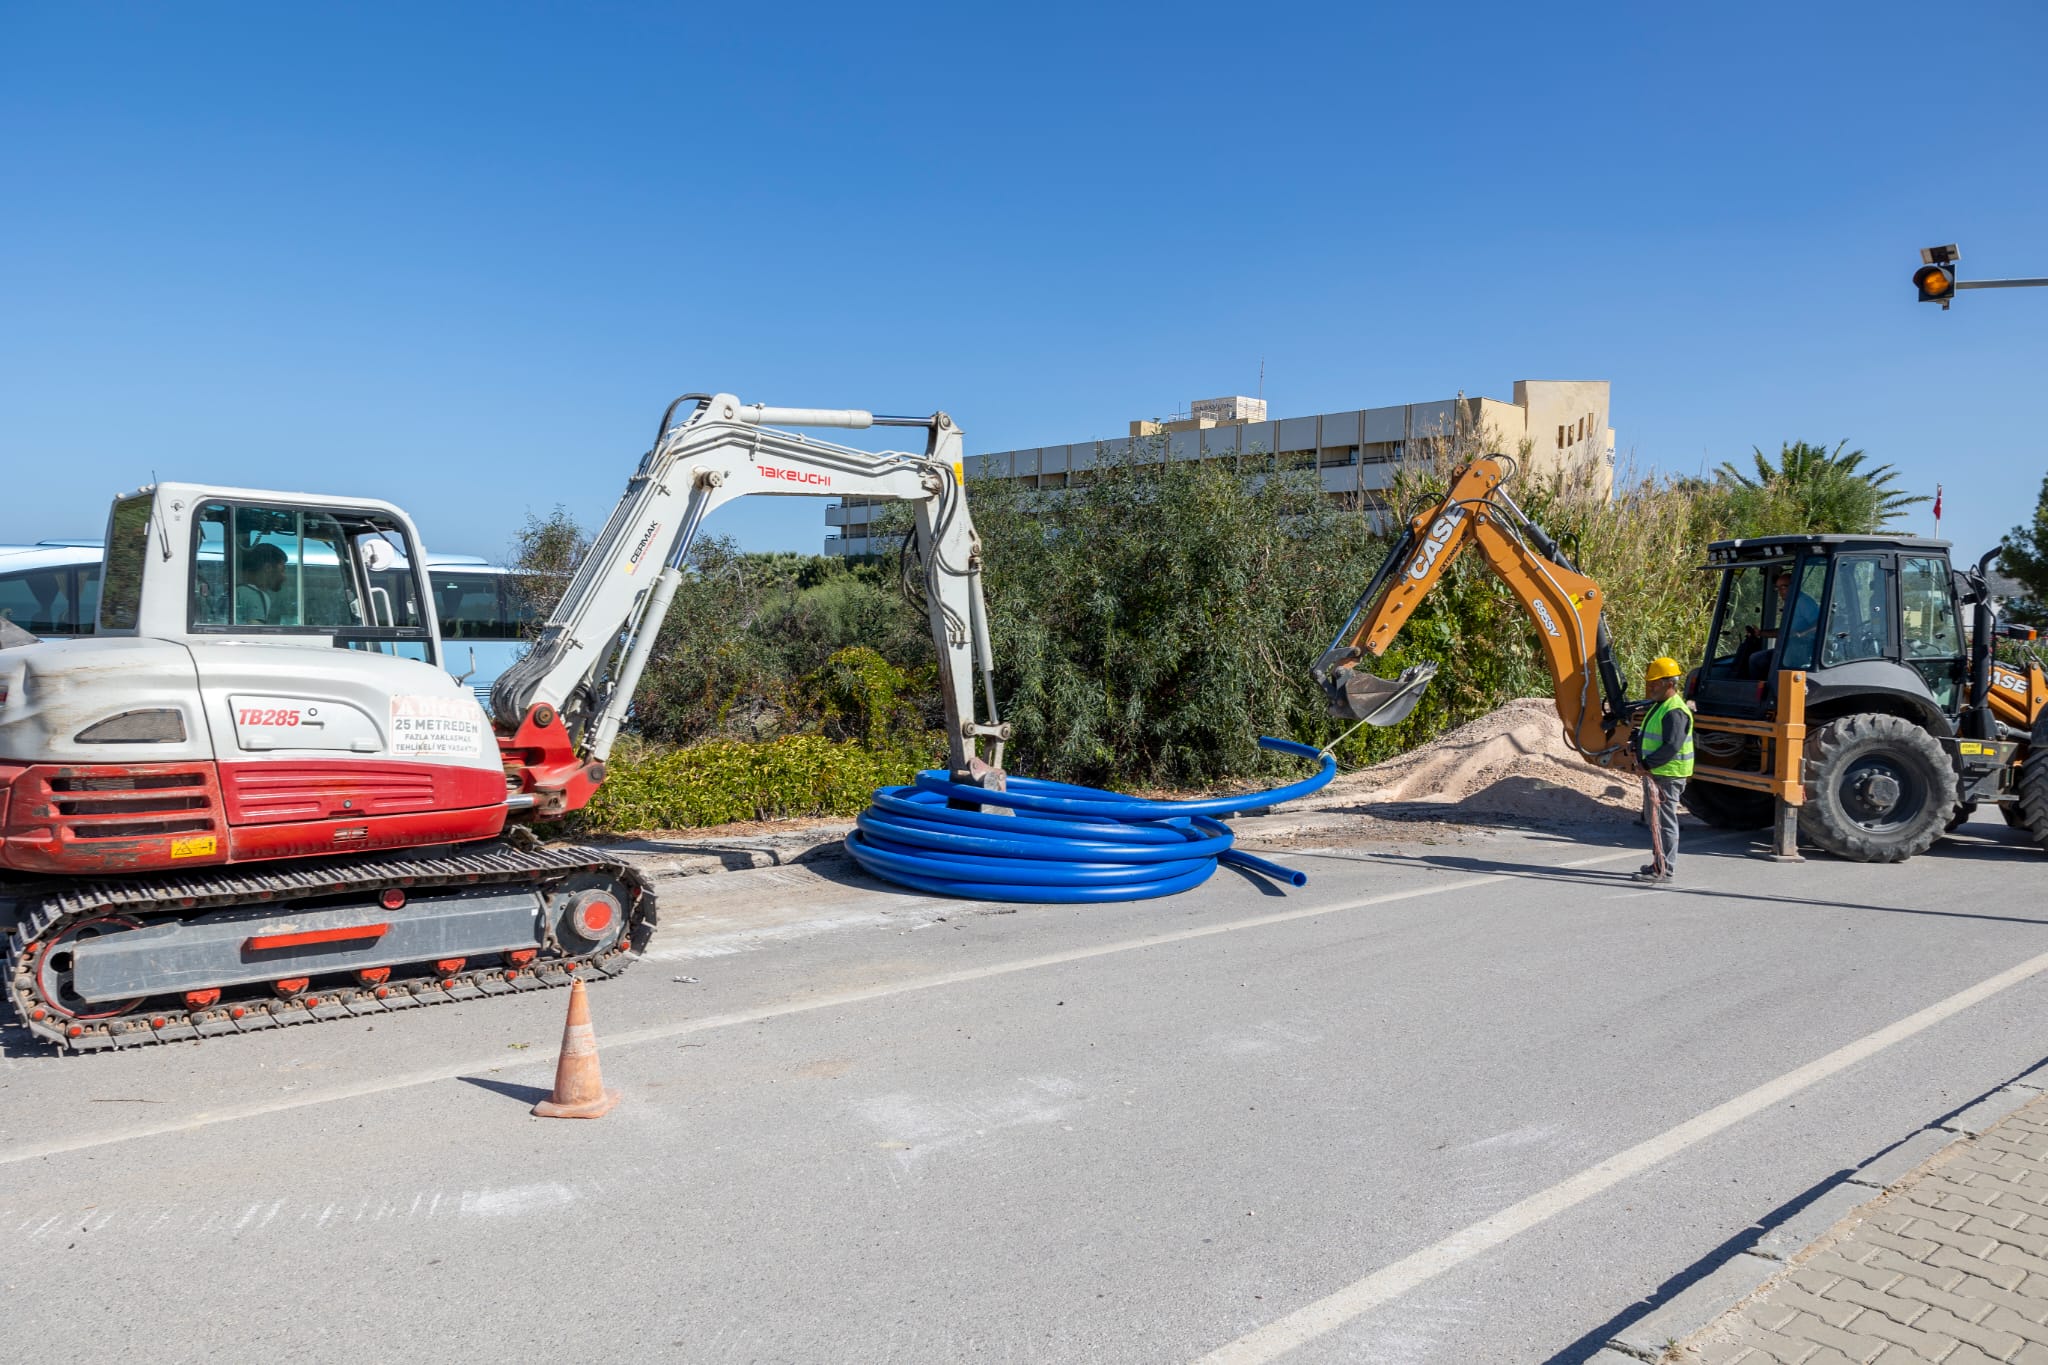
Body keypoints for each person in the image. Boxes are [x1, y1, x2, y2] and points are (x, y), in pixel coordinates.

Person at [1633, 655, 1695, 884]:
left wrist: (1646, 764)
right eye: (1649, 683)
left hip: (1667, 774)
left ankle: (1665, 870)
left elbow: (1671, 745)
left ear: (1670, 684)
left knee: (1665, 822)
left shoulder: (1674, 711)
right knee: (1655, 821)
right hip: (1658, 773)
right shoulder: (1661, 706)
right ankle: (1659, 863)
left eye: (1655, 683)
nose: (1650, 687)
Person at [1738, 569, 1820, 677]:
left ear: (1794, 585)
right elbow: (1784, 632)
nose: (1780, 591)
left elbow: (1820, 623)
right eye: (1778, 588)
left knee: (1765, 662)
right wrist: (1760, 633)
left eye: (1784, 587)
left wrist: (1802, 633)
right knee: (1756, 659)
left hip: (1803, 650)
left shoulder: (1804, 602)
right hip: (1788, 648)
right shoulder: (1790, 604)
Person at [234, 543, 290, 624]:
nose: (285, 577)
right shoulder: (255, 596)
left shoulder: (236, 591)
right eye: (282, 570)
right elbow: (256, 633)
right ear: (268, 568)